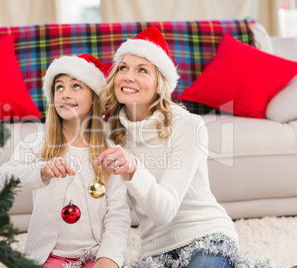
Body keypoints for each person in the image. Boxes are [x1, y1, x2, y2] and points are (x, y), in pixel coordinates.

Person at [95, 26, 246, 267]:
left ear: (159, 84)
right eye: (123, 67)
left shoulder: (188, 125)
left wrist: (133, 168)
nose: (128, 76)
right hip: (155, 249)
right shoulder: (111, 135)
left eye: (142, 70)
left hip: (205, 236)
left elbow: (165, 211)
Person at [0, 54, 131, 268]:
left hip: (94, 255)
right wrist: (41, 171)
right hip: (49, 256)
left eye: (76, 86)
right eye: (59, 87)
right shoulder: (37, 143)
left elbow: (118, 214)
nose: (65, 94)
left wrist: (109, 258)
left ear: (94, 97)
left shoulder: (109, 152)